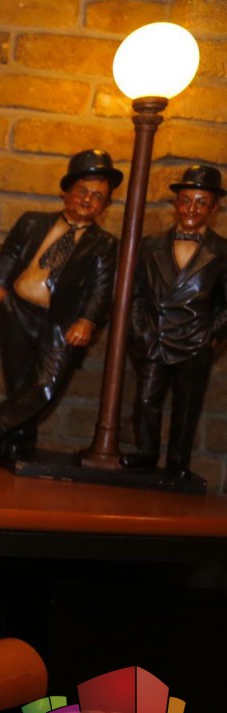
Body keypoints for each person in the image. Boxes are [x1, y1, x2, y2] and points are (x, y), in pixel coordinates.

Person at [0, 149, 121, 463]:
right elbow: (9, 255)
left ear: (106, 205)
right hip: (16, 310)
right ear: (65, 192)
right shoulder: (32, 222)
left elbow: (101, 288)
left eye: (98, 196)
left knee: (45, 385)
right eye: (83, 191)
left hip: (61, 323)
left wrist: (87, 321)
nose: (88, 200)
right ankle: (16, 445)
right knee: (19, 383)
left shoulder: (104, 244)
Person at [121, 165, 227, 478]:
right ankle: (146, 452)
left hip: (195, 341)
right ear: (175, 204)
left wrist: (211, 335)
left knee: (188, 405)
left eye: (201, 202)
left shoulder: (223, 252)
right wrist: (138, 330)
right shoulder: (150, 244)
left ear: (214, 209)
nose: (192, 209)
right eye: (186, 200)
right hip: (154, 337)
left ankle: (178, 462)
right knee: (145, 400)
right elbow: (135, 293)